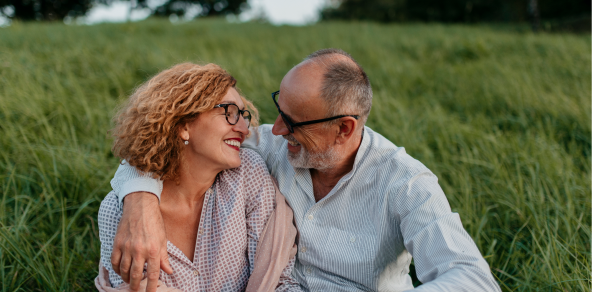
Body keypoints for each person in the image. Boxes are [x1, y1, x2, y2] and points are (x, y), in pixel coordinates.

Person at [110, 49, 502, 292]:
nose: (275, 131)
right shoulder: (270, 145)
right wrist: (140, 197)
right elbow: (169, 144)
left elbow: (472, 279)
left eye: (293, 123)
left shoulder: (406, 184)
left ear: (344, 128)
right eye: (279, 112)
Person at [96, 63, 300, 291]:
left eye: (242, 115)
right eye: (229, 114)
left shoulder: (248, 175)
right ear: (183, 126)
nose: (244, 128)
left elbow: (278, 281)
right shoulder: (118, 210)